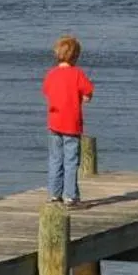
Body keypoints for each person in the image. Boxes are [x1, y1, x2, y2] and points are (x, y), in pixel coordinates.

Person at [42, 34, 95, 208]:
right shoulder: (77, 74)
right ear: (76, 56)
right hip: (71, 124)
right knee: (71, 161)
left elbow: (47, 92)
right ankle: (70, 196)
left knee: (55, 158)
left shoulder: (51, 74)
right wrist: (82, 97)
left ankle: (54, 194)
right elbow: (87, 94)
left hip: (54, 123)